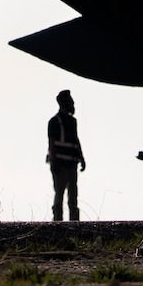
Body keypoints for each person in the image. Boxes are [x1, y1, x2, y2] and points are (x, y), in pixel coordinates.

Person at [47, 89, 86, 221]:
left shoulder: (72, 121)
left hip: (72, 164)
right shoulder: (54, 121)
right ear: (64, 103)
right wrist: (54, 161)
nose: (73, 104)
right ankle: (58, 222)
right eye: (70, 102)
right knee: (59, 195)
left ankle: (74, 223)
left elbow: (76, 139)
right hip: (60, 164)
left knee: (73, 196)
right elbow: (51, 143)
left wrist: (81, 158)